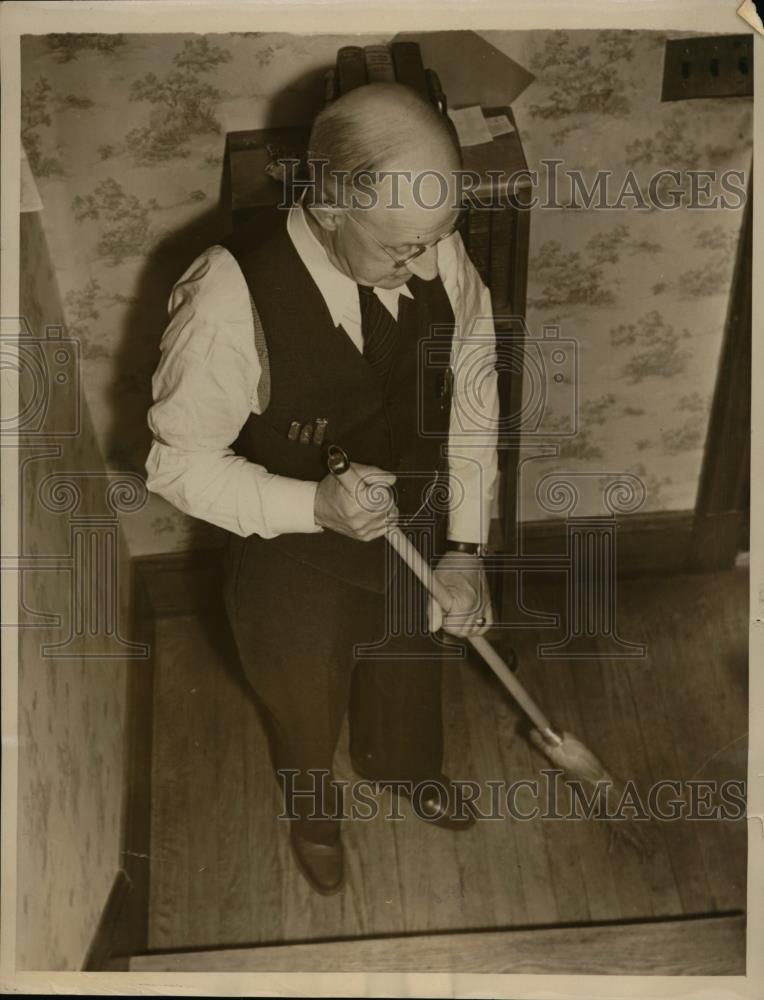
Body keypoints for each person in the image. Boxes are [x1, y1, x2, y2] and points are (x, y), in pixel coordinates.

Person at [146, 82, 499, 895]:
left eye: (440, 233)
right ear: (332, 204)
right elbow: (175, 463)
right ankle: (313, 812)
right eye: (403, 248)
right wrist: (311, 506)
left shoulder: (430, 237)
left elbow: (474, 392)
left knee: (411, 665)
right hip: (288, 552)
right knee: (301, 701)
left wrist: (466, 549)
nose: (428, 260)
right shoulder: (226, 297)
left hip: (414, 518)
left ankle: (403, 767)